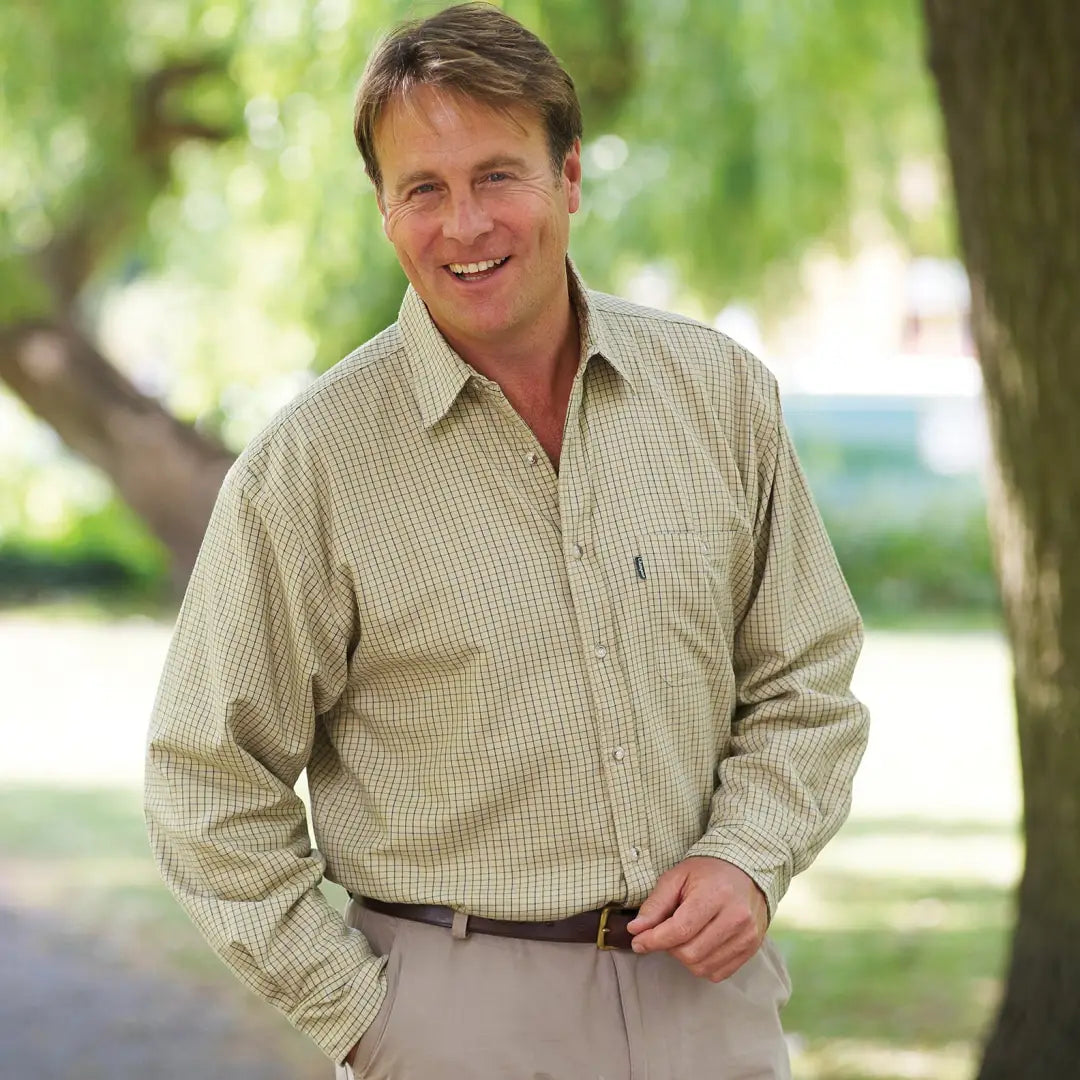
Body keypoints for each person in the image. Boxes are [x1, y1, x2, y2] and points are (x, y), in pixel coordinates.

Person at [144, 4, 870, 1078]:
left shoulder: (718, 395)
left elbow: (806, 679)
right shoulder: (314, 467)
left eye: (497, 175)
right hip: (453, 1017)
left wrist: (747, 856)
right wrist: (370, 1019)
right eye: (422, 189)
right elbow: (207, 783)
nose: (465, 225)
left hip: (710, 1010)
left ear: (569, 178)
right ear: (385, 212)